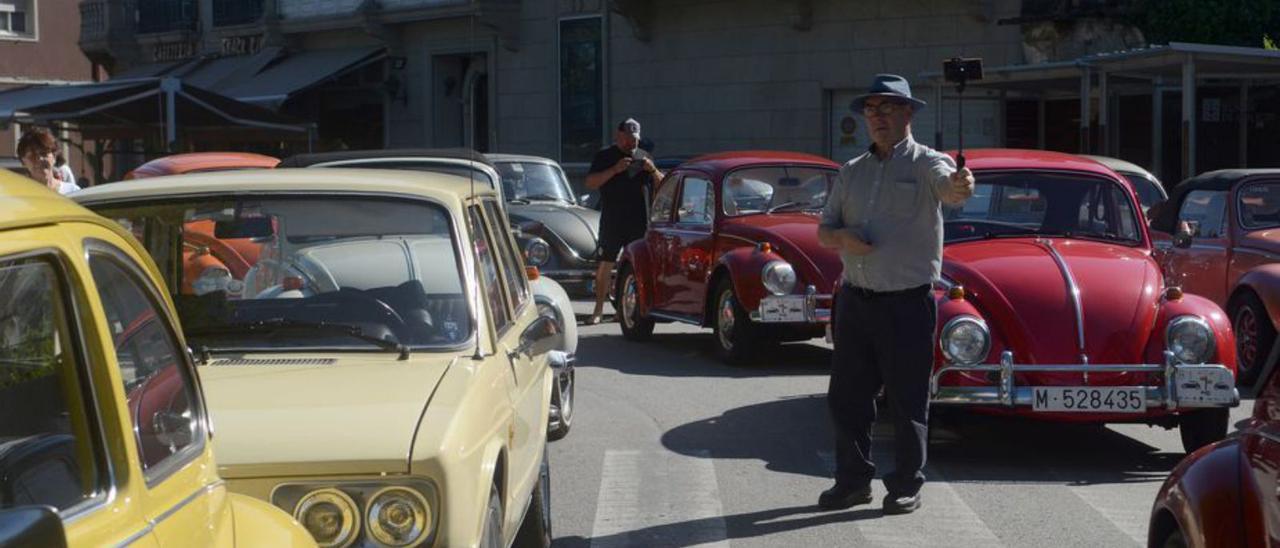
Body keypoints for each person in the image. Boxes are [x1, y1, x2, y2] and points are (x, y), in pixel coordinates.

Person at [816, 74, 974, 515]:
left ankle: (906, 483)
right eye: (871, 109)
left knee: (907, 400)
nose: (878, 117)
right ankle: (852, 481)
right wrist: (843, 238)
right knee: (846, 398)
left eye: (888, 108)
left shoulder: (928, 163)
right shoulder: (851, 172)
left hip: (907, 302)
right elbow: (823, 231)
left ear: (909, 113)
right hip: (855, 301)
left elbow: (952, 189)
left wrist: (962, 185)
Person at [585, 118, 663, 325]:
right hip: (613, 217)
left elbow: (664, 186)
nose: (632, 144)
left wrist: (652, 170)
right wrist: (615, 170)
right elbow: (590, 182)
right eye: (628, 139)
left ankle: (624, 309)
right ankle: (598, 310)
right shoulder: (605, 156)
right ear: (618, 136)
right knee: (606, 263)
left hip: (638, 219)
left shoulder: (644, 157)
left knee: (633, 265)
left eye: (635, 139)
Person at [17, 128, 80, 195]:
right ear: (23, 162)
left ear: (54, 157)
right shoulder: (19, 195)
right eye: (32, 156)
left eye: (43, 153)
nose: (40, 159)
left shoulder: (73, 191)